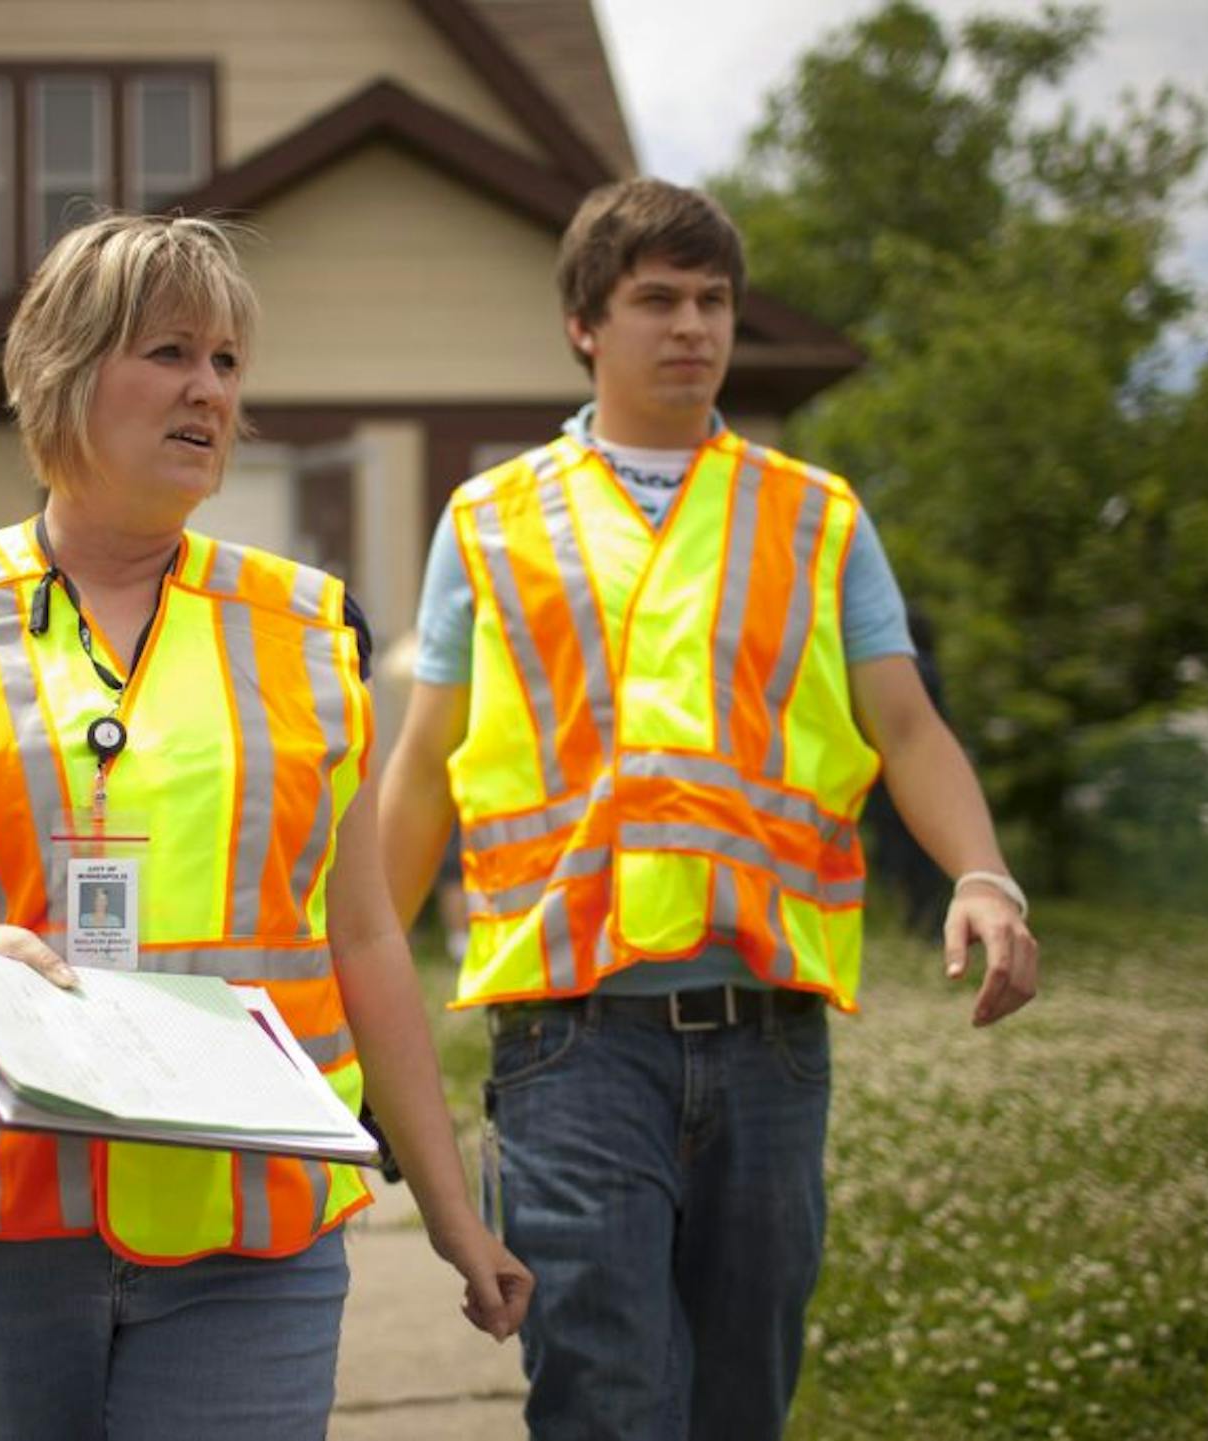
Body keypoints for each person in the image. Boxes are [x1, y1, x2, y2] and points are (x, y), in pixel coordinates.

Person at [0, 213, 529, 1441]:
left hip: (253, 1229)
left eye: (228, 363)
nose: (208, 390)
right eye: (169, 351)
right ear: (63, 371)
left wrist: (446, 1206)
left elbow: (366, 939)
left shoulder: (315, 632)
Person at [377, 178, 1040, 1441]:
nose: (692, 326)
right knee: (605, 1397)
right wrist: (348, 990)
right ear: (586, 322)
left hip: (772, 1036)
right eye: (656, 299)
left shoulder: (816, 514)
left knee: (743, 1402)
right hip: (571, 1037)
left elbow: (906, 726)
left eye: (714, 300)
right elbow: (423, 769)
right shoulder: (493, 518)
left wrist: (983, 874)